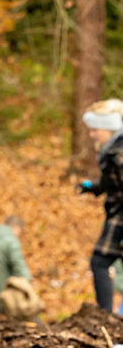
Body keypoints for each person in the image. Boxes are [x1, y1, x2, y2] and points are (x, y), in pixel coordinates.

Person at [78, 98, 123, 311]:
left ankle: (106, 316)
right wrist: (93, 187)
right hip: (117, 213)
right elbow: (114, 183)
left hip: (120, 216)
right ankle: (108, 317)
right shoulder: (112, 149)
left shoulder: (118, 152)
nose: (91, 134)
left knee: (99, 261)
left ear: (109, 127)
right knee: (100, 262)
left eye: (95, 129)